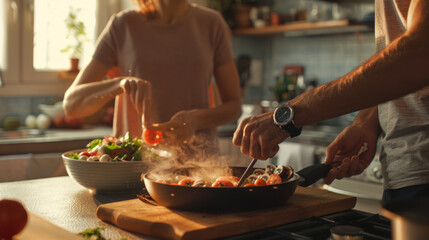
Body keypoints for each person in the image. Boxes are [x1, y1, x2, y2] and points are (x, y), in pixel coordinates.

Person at [233, 0, 429, 204]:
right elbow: (398, 69)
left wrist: (289, 115)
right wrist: (366, 123)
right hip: (404, 170)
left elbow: (420, 51)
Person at [63, 0, 242, 156]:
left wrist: (196, 120)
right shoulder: (122, 25)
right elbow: (72, 105)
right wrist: (120, 84)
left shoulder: (212, 23)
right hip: (133, 165)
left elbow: (234, 107)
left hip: (199, 170)